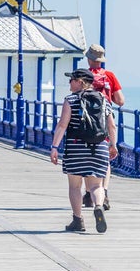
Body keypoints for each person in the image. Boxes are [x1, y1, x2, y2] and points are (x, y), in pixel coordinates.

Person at [49, 68, 118, 234]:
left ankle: (78, 220)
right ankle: (99, 206)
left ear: (80, 81)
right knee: (96, 185)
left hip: (75, 147)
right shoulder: (103, 99)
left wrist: (54, 147)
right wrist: (113, 145)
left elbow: (62, 125)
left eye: (72, 79)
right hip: (99, 146)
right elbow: (111, 125)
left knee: (75, 186)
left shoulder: (70, 100)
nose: (69, 82)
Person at [84, 44, 125, 211]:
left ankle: (88, 194)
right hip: (105, 121)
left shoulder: (83, 75)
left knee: (87, 157)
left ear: (88, 58)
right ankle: (104, 192)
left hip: (86, 122)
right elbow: (121, 101)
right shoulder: (109, 76)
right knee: (105, 158)